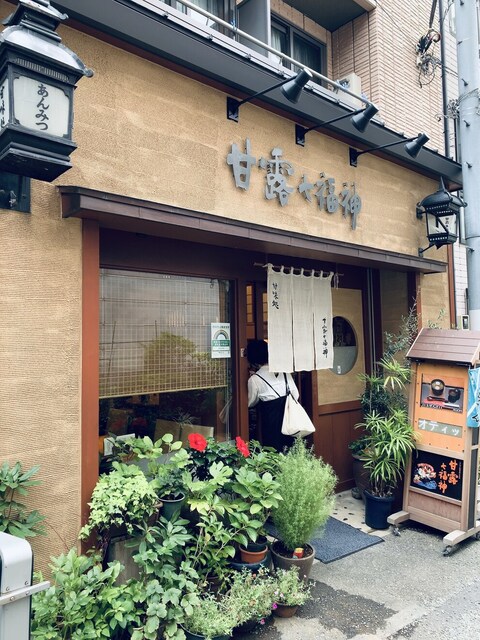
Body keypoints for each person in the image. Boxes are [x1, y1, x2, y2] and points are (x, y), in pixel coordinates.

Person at [246, 339, 300, 452]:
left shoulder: (255, 379)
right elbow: (296, 394)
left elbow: (250, 402)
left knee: (273, 452)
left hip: (271, 423)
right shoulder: (285, 373)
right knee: (290, 450)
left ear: (252, 360)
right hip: (290, 422)